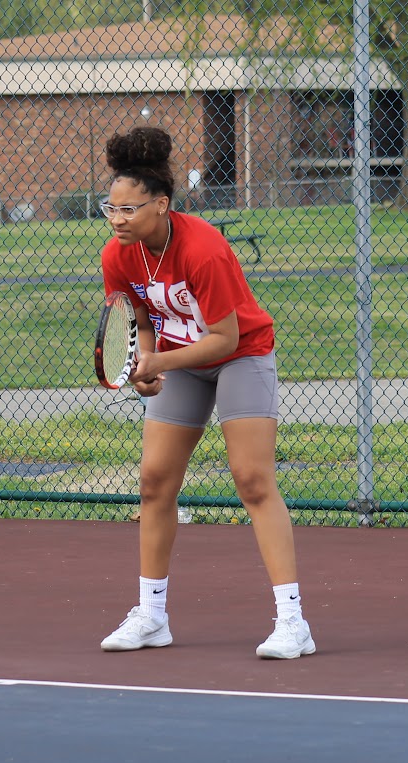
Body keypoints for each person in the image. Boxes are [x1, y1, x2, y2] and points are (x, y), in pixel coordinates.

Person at [97, 126, 315, 660]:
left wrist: (158, 361)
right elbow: (141, 317)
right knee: (154, 482)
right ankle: (151, 616)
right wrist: (141, 364)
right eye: (110, 207)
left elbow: (226, 337)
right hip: (180, 361)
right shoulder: (118, 255)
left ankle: (293, 623)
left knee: (253, 479)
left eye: (129, 209)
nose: (118, 219)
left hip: (241, 355)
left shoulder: (204, 250)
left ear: (161, 205)